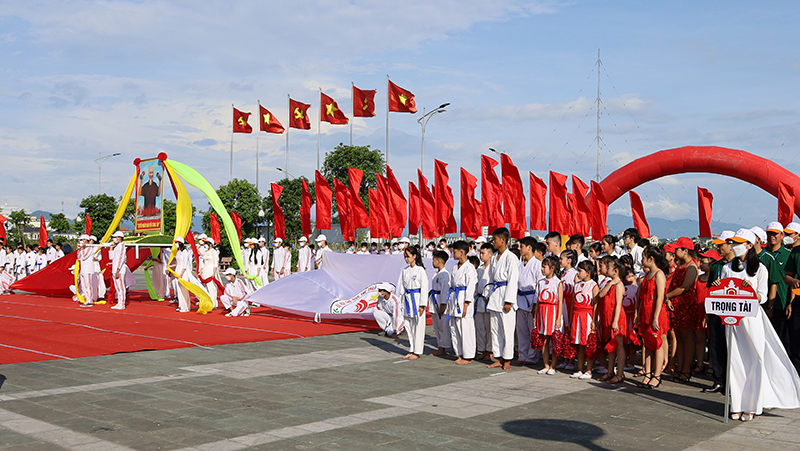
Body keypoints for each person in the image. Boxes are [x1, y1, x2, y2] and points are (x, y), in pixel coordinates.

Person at [718, 228, 800, 421]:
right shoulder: (727, 268)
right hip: (733, 321)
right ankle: (737, 404)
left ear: (748, 245)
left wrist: (751, 292)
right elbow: (723, 291)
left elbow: (763, 296)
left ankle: (753, 405)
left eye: (739, 243)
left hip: (752, 319)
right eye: (733, 243)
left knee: (755, 359)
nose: (734, 247)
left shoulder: (760, 268)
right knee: (736, 361)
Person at [703, 230, 736, 394]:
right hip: (716, 310)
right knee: (716, 344)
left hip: (733, 312)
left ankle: (733, 380)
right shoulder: (716, 265)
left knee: (732, 346)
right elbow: (709, 290)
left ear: (730, 245)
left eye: (721, 245)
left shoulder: (739, 264)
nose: (718, 248)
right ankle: (719, 379)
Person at [666, 237, 699, 383]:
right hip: (677, 305)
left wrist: (666, 296)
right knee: (679, 338)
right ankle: (680, 369)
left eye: (677, 249)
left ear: (685, 251)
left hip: (686, 305)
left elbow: (685, 287)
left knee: (687, 338)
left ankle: (686, 370)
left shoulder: (691, 267)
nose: (674, 252)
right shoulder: (680, 266)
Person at [487, 227, 520, 371]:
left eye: (495, 239)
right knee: (495, 329)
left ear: (503, 240)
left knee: (507, 329)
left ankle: (507, 359)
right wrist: (488, 295)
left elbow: (513, 279)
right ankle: (498, 357)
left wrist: (509, 300)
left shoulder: (511, 257)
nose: (493, 242)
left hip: (506, 293)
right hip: (495, 294)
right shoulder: (494, 257)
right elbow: (490, 278)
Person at [596, 258, 627, 384]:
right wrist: (610, 283)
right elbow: (601, 295)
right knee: (611, 346)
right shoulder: (611, 283)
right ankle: (610, 371)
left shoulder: (619, 285)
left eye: (609, 268)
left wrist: (615, 321)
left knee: (619, 346)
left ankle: (620, 373)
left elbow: (619, 304)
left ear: (616, 270)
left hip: (617, 317)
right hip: (608, 317)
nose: (607, 270)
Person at [448, 240, 477, 365]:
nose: (452, 254)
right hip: (454, 298)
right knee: (454, 327)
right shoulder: (455, 267)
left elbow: (471, 287)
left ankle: (468, 355)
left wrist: (466, 304)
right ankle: (459, 353)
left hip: (464, 298)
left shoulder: (470, 268)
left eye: (454, 251)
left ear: (461, 252)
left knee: (465, 328)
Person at [516, 237, 543, 366]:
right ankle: (522, 354)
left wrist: (536, 303)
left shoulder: (537, 264)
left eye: (521, 246)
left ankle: (532, 356)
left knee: (532, 330)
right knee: (521, 330)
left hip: (532, 299)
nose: (519, 249)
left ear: (529, 248)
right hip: (520, 299)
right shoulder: (519, 264)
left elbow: (540, 285)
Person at [399, 246, 428, 360]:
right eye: (405, 257)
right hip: (407, 299)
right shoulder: (405, 271)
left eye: (408, 256)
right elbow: (402, 287)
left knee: (418, 325)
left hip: (416, 298)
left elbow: (424, 287)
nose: (406, 259)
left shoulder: (420, 270)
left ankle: (417, 351)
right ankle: (411, 349)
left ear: (414, 256)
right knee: (408, 325)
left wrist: (422, 305)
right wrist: (401, 302)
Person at [536, 255, 563, 375]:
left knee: (554, 340)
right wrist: (535, 316)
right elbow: (537, 301)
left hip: (553, 312)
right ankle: (546, 365)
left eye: (544, 267)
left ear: (552, 268)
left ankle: (553, 366)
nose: (542, 269)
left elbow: (560, 302)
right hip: (542, 312)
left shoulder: (558, 283)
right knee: (544, 340)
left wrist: (558, 318)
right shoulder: (540, 282)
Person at [571, 260, 599, 379]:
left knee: (588, 343)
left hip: (587, 316)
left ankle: (589, 370)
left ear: (588, 272)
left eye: (580, 271)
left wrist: (594, 320)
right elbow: (573, 302)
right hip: (576, 315)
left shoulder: (593, 285)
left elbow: (596, 304)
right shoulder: (576, 285)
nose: (578, 273)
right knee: (579, 344)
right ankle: (580, 369)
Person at [429, 250, 452, 356]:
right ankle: (440, 345)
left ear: (439, 261)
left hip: (440, 302)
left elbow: (445, 291)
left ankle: (443, 347)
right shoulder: (437, 274)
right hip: (434, 300)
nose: (432, 262)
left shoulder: (445, 274)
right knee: (437, 326)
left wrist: (443, 304)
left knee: (443, 326)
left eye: (433, 260)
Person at [559, 249, 578, 370]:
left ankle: (571, 359)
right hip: (562, 303)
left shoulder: (575, 274)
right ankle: (565, 358)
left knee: (569, 331)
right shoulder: (562, 273)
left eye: (562, 258)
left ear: (569, 260)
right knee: (564, 331)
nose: (560, 261)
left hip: (570, 303)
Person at [474, 245, 493, 362]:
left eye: (483, 253)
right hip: (479, 300)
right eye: (480, 253)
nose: (481, 255)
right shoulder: (479, 269)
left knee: (489, 328)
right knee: (480, 327)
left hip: (489, 300)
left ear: (490, 254)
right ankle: (483, 350)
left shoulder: (493, 268)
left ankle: (490, 351)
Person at [109, 231, 134, 310]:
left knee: (121, 287)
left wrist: (118, 270)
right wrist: (111, 250)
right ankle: (119, 302)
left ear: (119, 238)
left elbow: (121, 259)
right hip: (115, 269)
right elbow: (111, 257)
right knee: (117, 287)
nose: (114, 239)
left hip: (119, 270)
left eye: (115, 237)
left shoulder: (122, 246)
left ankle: (122, 303)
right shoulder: (117, 247)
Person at [171, 237, 192, 313]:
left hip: (183, 273)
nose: (175, 244)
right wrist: (170, 266)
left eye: (176, 242)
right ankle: (181, 305)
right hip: (177, 271)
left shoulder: (184, 252)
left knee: (183, 290)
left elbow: (185, 264)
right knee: (178, 289)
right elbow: (177, 263)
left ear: (180, 243)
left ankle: (186, 306)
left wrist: (181, 274)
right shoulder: (178, 252)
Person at [200, 237, 220, 308]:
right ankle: (208, 303)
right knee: (206, 288)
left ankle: (214, 303)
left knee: (212, 288)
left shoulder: (214, 252)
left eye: (206, 243)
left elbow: (215, 263)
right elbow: (203, 262)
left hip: (211, 270)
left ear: (211, 244)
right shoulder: (205, 252)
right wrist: (201, 271)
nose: (205, 244)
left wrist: (214, 273)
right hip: (205, 271)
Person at [76, 235, 96, 307]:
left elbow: (84, 257)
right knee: (84, 286)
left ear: (85, 240)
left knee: (88, 285)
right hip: (83, 269)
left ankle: (90, 300)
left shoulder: (89, 247)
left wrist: (82, 248)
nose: (80, 241)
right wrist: (79, 249)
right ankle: (87, 299)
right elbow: (79, 257)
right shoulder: (83, 248)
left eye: (82, 240)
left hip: (88, 269)